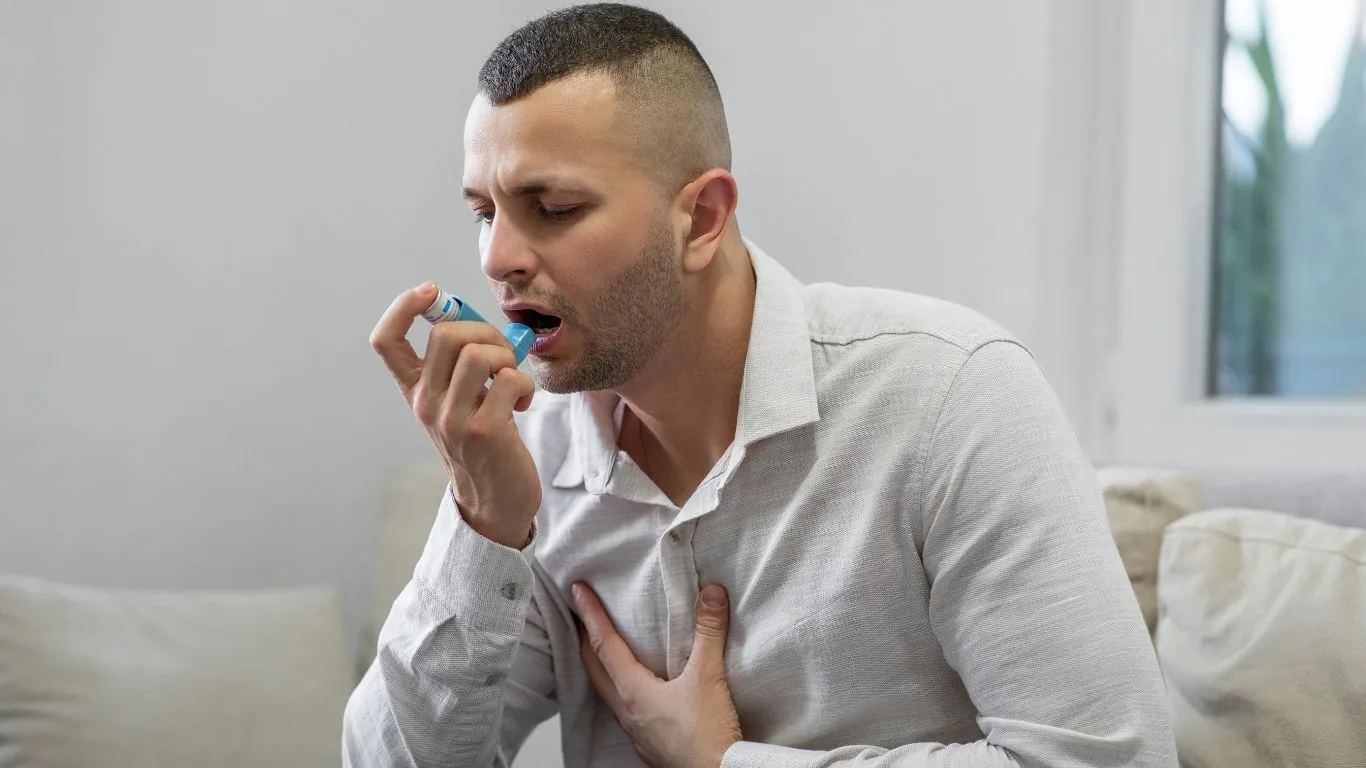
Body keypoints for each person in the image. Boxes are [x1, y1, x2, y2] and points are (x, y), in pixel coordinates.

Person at [343, 4, 1177, 767]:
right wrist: (482, 519)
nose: (497, 259)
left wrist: (726, 765)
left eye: (553, 206)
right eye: (483, 212)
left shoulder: (951, 398)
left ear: (701, 219)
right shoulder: (530, 456)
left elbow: (1113, 761)